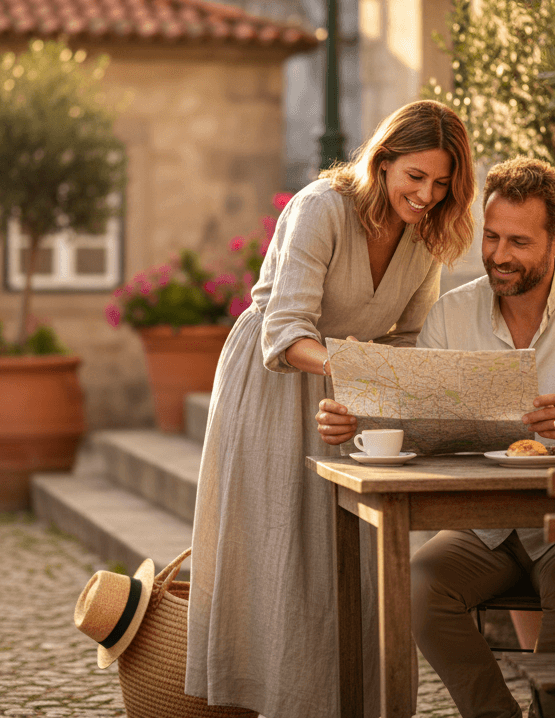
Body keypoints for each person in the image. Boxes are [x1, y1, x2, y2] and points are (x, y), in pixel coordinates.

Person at [317, 157, 555, 718]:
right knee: (417, 588)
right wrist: (356, 420)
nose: (500, 255)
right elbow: (416, 416)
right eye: (492, 236)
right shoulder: (451, 314)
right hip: (488, 527)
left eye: (519, 242)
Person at [185, 99, 477, 718]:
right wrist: (359, 370)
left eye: (442, 183)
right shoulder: (322, 208)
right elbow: (285, 331)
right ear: (383, 161)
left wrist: (405, 390)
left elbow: (406, 339)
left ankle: (342, 704)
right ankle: (271, 701)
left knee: (349, 557)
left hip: (350, 394)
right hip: (275, 384)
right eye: (415, 177)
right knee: (278, 546)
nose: (426, 195)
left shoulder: (426, 237)